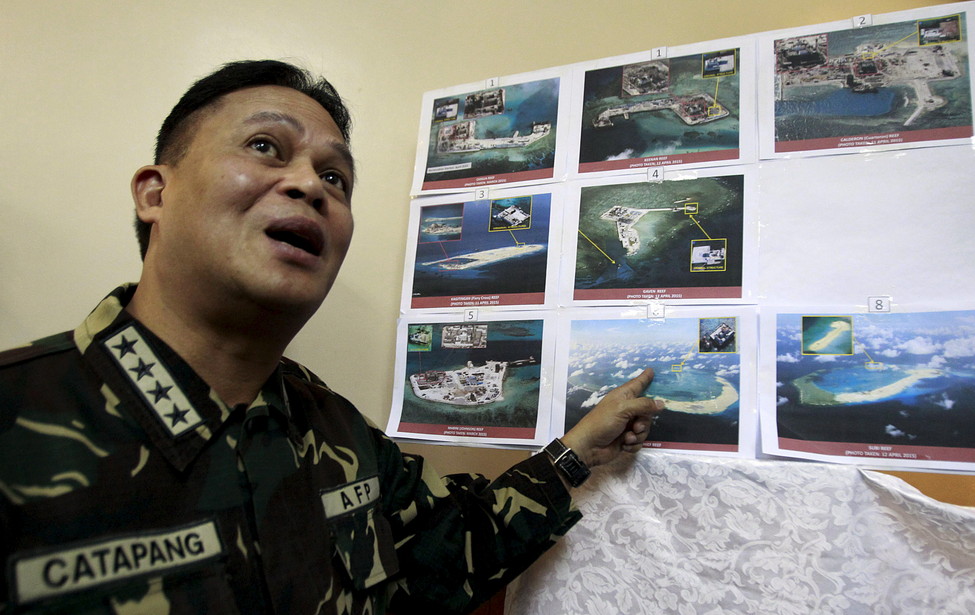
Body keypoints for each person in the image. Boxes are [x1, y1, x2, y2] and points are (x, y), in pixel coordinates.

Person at [0, 60, 663, 615]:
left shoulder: (335, 431)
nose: (307, 185)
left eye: (335, 177)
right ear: (154, 193)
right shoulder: (18, 420)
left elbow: (454, 544)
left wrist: (578, 450)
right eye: (265, 147)